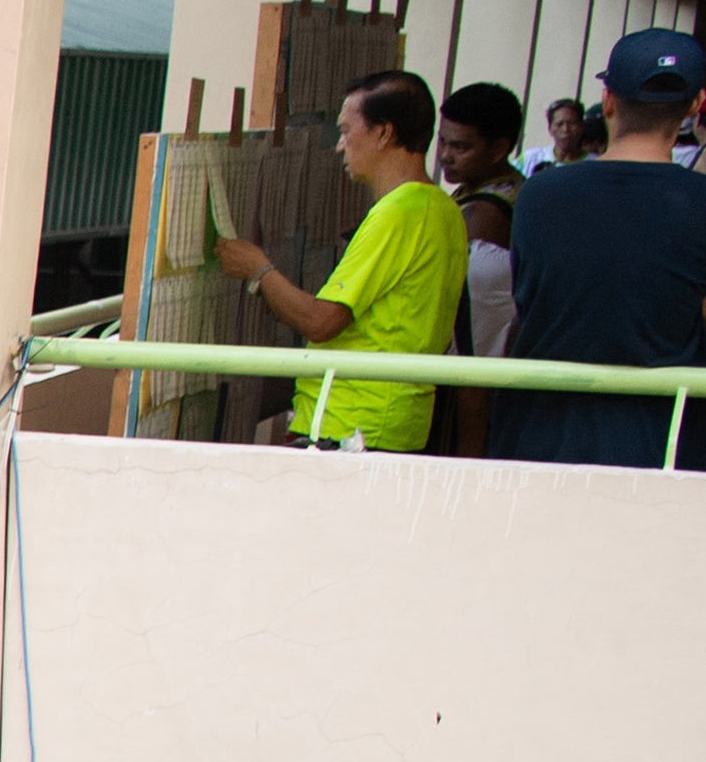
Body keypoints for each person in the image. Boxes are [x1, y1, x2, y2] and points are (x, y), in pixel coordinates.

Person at [208, 70, 459, 449]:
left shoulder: (399, 212)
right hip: (389, 421)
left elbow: (322, 321)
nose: (340, 146)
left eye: (346, 131)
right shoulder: (442, 208)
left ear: (383, 133)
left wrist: (258, 270)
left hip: (353, 426)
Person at [494, 29, 706, 466]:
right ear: (696, 105)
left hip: (541, 437)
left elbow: (529, 303)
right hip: (665, 446)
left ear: (608, 99)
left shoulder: (539, 196)